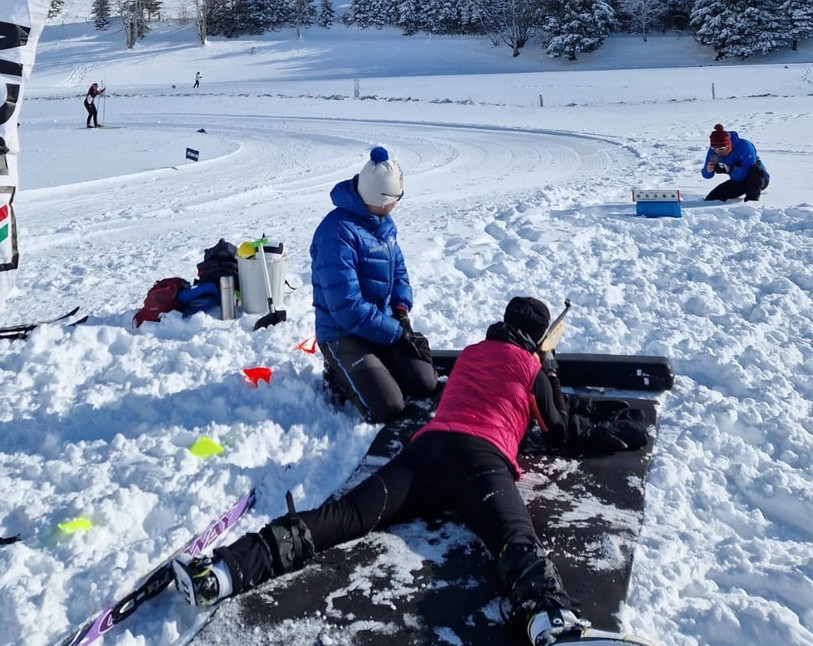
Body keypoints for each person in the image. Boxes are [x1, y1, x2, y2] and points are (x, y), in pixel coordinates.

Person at [172, 296, 649, 646]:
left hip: (426, 452)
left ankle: (227, 569)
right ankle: (550, 621)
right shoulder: (530, 367)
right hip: (483, 462)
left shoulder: (471, 354)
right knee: (516, 540)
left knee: (344, 516)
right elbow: (559, 429)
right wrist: (553, 374)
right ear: (538, 339)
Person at [308, 146, 437, 424]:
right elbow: (347, 307)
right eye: (397, 198)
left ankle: (379, 365)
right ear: (382, 200)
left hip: (380, 325)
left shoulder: (382, 223)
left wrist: (400, 311)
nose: (398, 203)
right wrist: (395, 333)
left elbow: (398, 269)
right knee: (388, 407)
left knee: (424, 381)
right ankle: (338, 373)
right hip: (342, 332)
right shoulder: (336, 233)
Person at [701, 123, 769, 202]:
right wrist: (708, 170)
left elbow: (746, 172)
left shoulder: (744, 146)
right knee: (711, 198)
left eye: (721, 149)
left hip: (758, 179)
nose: (717, 151)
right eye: (714, 148)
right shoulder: (713, 152)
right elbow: (707, 175)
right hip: (738, 181)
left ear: (729, 144)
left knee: (755, 170)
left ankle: (751, 202)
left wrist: (729, 170)